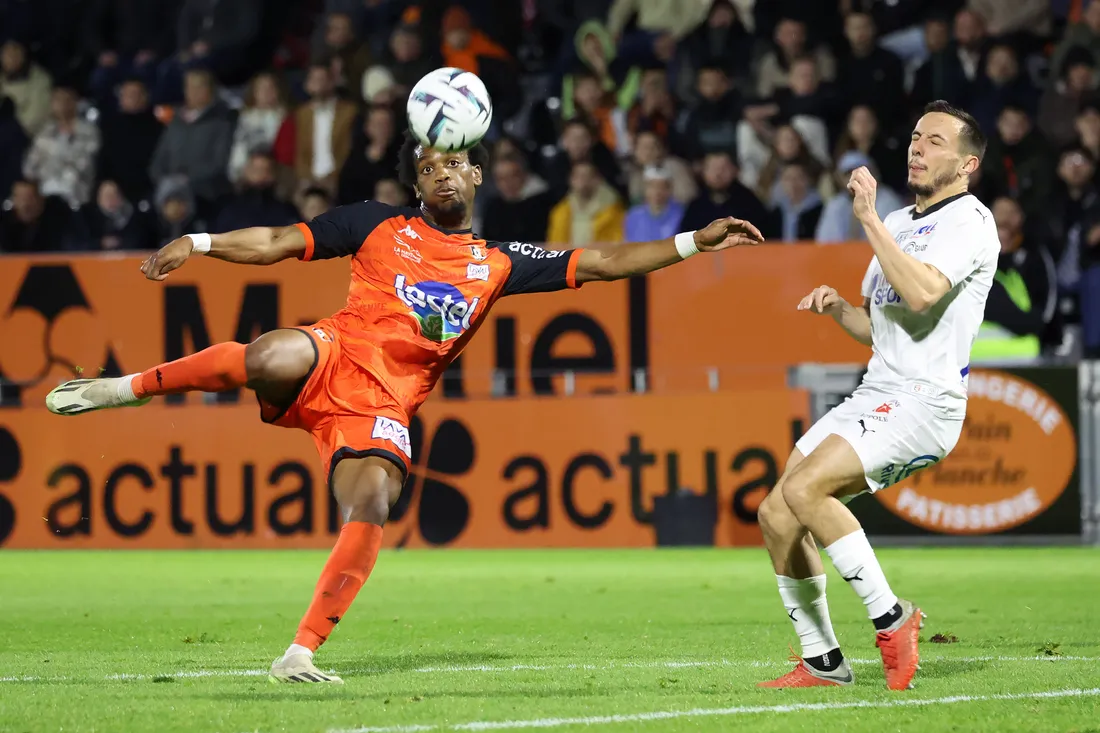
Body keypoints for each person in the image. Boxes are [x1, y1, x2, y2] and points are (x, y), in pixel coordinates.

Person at [45, 135, 765, 684]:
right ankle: (124, 387)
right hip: (332, 353)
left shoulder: (499, 262)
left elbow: (602, 264)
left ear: (476, 175)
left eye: (453, 163)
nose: (441, 174)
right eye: (427, 166)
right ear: (415, 182)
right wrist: (198, 242)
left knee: (374, 502)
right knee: (270, 355)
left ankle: (300, 651)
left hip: (383, 405)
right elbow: (274, 243)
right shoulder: (375, 225)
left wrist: (690, 243)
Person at [756, 101, 998, 690]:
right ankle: (824, 662)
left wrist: (865, 218)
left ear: (967, 164)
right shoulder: (898, 220)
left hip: (926, 400)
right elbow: (882, 323)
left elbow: (921, 295)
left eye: (935, 141)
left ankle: (894, 618)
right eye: (916, 136)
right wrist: (841, 308)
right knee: (777, 512)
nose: (918, 147)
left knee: (806, 487)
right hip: (880, 391)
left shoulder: (970, 220)